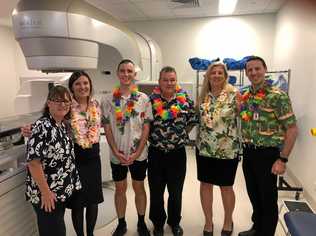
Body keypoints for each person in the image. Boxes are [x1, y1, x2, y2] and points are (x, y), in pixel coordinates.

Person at [22, 71, 104, 236]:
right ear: (72, 88)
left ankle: (91, 234)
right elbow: (47, 121)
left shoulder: (96, 105)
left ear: (90, 85)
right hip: (76, 159)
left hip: (93, 157)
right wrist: (30, 128)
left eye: (85, 83)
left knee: (93, 200)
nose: (83, 87)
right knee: (78, 202)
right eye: (78, 84)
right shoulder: (67, 108)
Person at [238, 56, 298, 236]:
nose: (253, 73)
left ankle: (266, 233)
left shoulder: (277, 96)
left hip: (268, 155)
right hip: (248, 153)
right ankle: (257, 228)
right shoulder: (246, 95)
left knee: (267, 199)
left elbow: (292, 130)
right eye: (250, 70)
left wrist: (283, 159)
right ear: (246, 73)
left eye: (257, 68)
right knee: (254, 195)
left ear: (265, 69)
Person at [101, 59, 153, 236]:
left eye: (129, 71)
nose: (126, 74)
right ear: (118, 73)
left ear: (134, 74)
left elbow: (146, 127)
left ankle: (141, 222)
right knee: (120, 189)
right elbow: (107, 128)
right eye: (122, 71)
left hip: (138, 154)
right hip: (118, 154)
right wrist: (116, 151)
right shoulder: (107, 100)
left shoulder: (143, 99)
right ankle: (121, 223)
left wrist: (138, 152)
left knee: (139, 187)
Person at [148, 66, 198, 236]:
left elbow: (192, 119)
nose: (169, 83)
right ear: (159, 82)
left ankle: (174, 222)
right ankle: (158, 223)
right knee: (156, 192)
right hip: (156, 153)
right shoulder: (150, 101)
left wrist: (182, 133)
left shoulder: (185, 101)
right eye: (165, 80)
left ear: (176, 81)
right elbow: (144, 125)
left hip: (177, 154)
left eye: (172, 80)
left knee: (176, 192)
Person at [25, 85, 81, 236]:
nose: (62, 104)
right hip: (47, 194)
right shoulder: (42, 126)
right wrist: (46, 193)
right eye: (57, 100)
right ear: (49, 103)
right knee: (54, 232)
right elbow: (33, 162)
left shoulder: (62, 125)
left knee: (56, 229)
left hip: (58, 191)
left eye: (66, 101)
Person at [195, 62, 240, 236]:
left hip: (227, 150)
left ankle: (228, 221)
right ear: (208, 76)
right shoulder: (203, 95)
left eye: (220, 72)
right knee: (205, 185)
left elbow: (244, 117)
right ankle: (208, 222)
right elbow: (197, 119)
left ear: (225, 75)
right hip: (205, 149)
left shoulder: (234, 94)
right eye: (213, 72)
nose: (216, 75)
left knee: (226, 187)